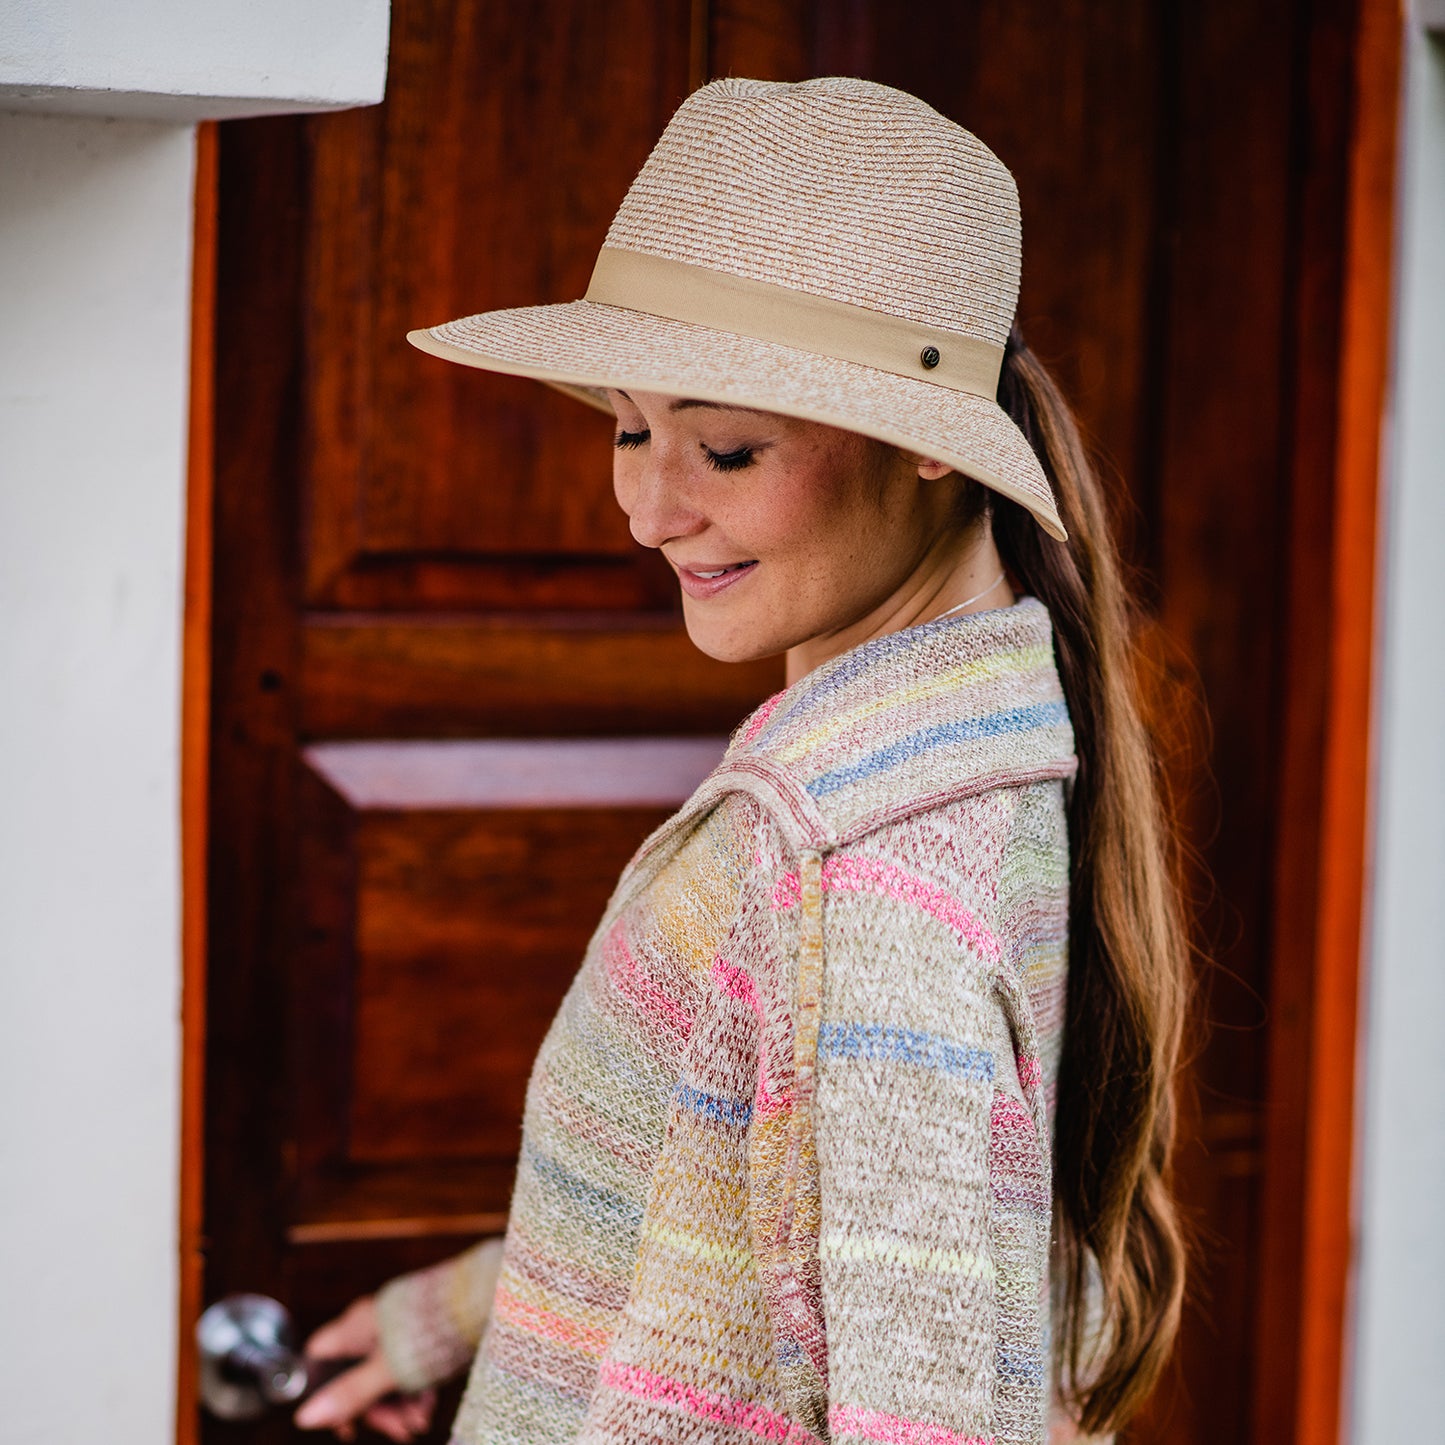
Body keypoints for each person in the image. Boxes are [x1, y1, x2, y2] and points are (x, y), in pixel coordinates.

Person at [294, 75, 1188, 1445]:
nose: (650, 508)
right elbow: (781, 1192)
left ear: (923, 446)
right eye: (627, 425)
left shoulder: (865, 873)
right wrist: (490, 1303)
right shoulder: (963, 769)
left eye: (722, 443)